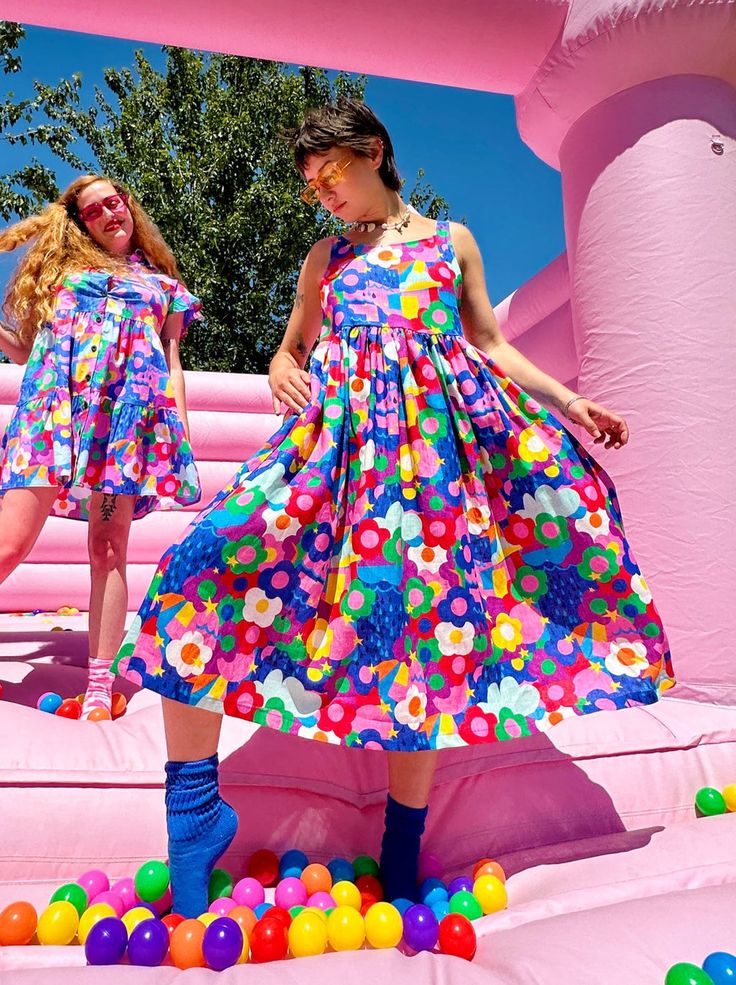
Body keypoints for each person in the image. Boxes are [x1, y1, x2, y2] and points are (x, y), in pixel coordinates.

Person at [114, 100, 674, 915]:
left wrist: (570, 404)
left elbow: (489, 342)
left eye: (330, 173)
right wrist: (277, 364)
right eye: (311, 184)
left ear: (373, 151)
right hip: (333, 458)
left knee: (422, 641)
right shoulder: (324, 259)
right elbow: (292, 342)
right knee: (196, 569)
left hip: (434, 474)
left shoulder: (450, 244)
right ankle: (193, 807)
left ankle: (402, 840)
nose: (322, 194)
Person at [0, 175, 201, 718]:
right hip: (50, 419)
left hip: (124, 431)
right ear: (79, 223)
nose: (110, 213)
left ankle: (96, 687)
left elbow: (171, 363)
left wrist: (175, 436)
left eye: (115, 201)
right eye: (94, 211)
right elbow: (25, 354)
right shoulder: (59, 273)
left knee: (107, 550)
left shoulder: (163, 286)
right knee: (9, 545)